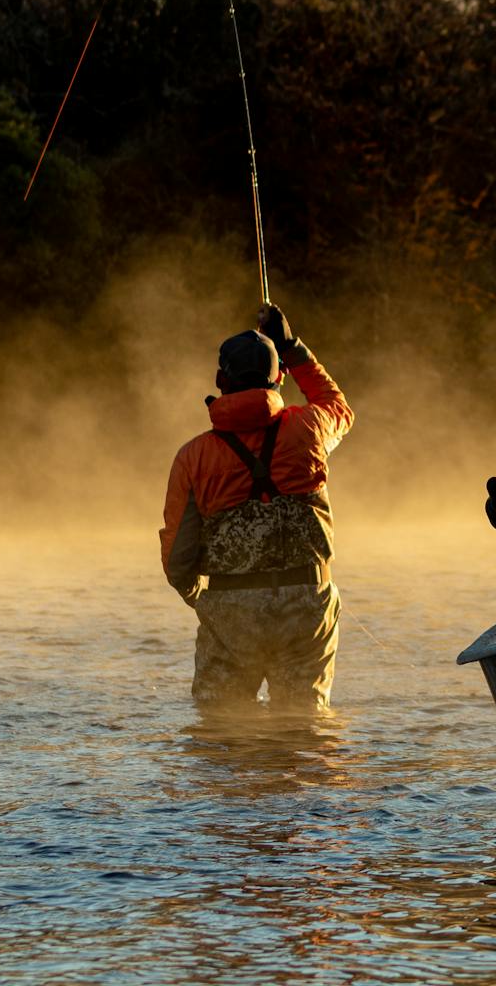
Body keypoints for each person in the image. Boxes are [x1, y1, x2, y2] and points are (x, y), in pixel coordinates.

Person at [160, 303, 354, 711]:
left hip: (231, 607)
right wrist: (292, 347)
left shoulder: (192, 457)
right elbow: (337, 405)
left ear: (219, 380)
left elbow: (179, 554)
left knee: (221, 734)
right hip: (307, 600)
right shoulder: (309, 429)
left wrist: (201, 599)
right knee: (304, 729)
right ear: (280, 377)